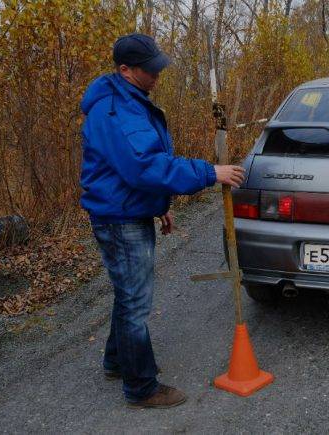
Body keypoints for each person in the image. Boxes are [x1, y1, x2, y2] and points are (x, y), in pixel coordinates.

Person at [79, 33, 245, 409]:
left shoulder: (128, 100)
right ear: (125, 70)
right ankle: (141, 388)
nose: (157, 75)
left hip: (127, 209)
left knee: (128, 294)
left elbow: (131, 171)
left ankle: (117, 361)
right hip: (120, 219)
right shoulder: (115, 112)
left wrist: (158, 206)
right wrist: (210, 172)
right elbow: (145, 167)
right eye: (149, 69)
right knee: (136, 303)